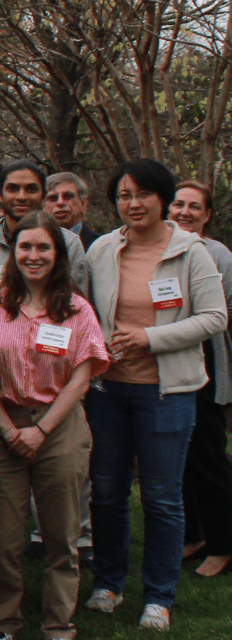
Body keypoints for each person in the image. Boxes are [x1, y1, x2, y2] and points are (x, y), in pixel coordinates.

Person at [81, 159, 227, 631]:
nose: (132, 203)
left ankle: (159, 597)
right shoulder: (102, 249)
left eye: (141, 194)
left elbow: (214, 318)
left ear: (161, 199)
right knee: (106, 492)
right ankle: (108, 583)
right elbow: (84, 311)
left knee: (162, 498)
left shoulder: (192, 252)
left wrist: (149, 338)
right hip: (107, 391)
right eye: (123, 195)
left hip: (167, 393)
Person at [0, 211, 109, 640]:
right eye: (25, 247)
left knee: (61, 537)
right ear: (13, 253)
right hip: (2, 425)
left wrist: (42, 430)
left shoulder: (77, 309)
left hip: (61, 426)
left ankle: (57, 625)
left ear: (58, 254)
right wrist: (5, 424)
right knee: (3, 538)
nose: (33, 256)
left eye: (43, 247)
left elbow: (82, 376)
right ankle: (3, 623)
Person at [170, 181, 232, 578]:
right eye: (178, 204)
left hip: (207, 363)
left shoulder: (217, 254)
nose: (184, 212)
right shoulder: (160, 247)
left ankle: (225, 545)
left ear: (207, 215)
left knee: (209, 457)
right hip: (168, 363)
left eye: (195, 206)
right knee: (181, 458)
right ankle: (195, 535)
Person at [0, 161, 92, 292]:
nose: (22, 196)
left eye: (31, 189)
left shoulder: (68, 243)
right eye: (12, 189)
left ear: (43, 194)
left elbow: (77, 306)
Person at [45, 172, 100, 248]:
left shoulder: (100, 245)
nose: (60, 202)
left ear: (83, 203)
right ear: (42, 206)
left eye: (68, 196)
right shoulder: (30, 244)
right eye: (53, 198)